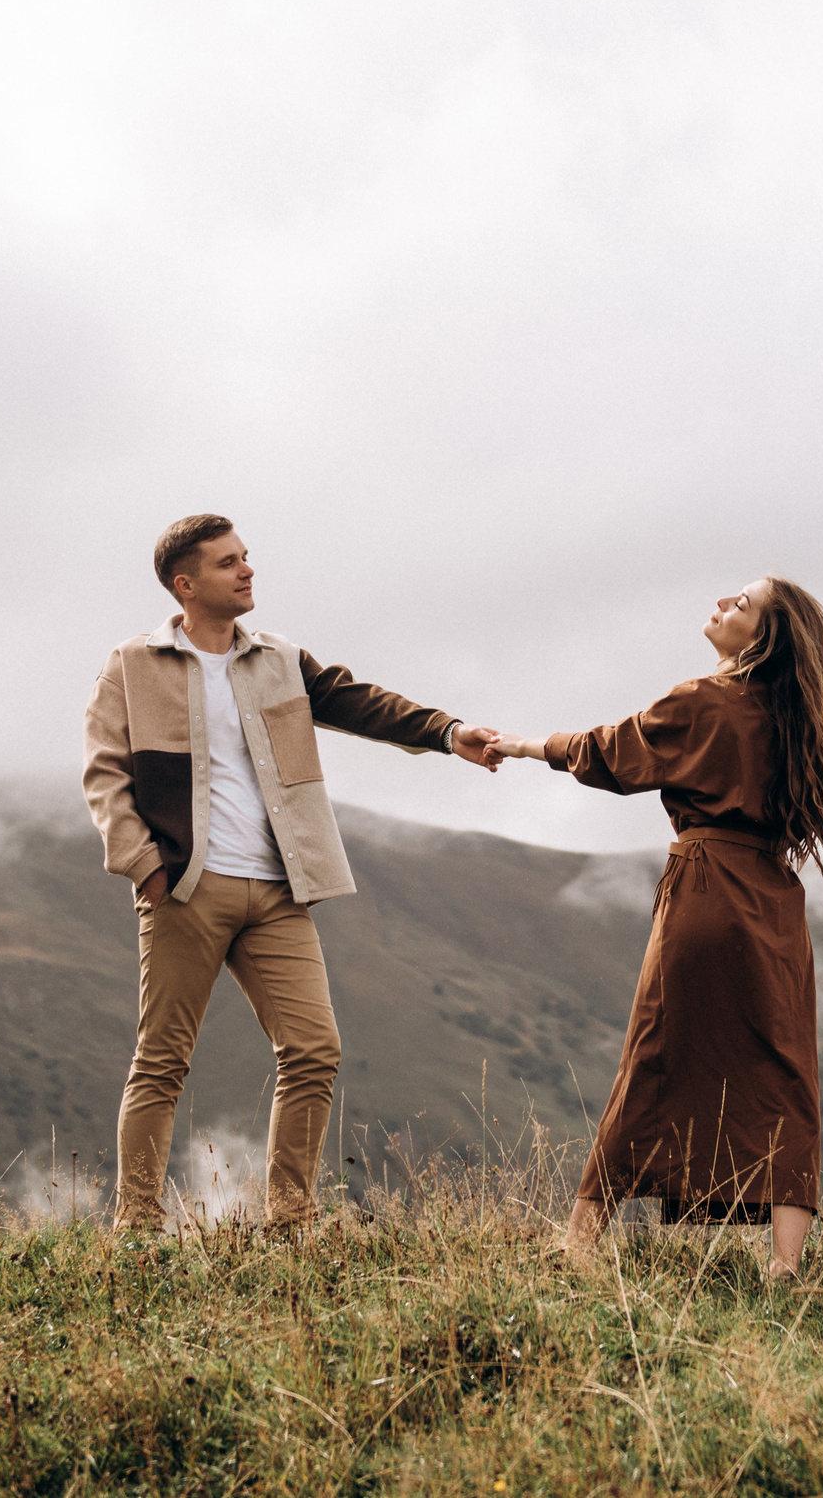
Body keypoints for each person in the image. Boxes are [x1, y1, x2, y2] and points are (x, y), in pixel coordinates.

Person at [489, 576, 823, 1280]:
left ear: (764, 637)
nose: (721, 603)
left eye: (740, 604)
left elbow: (607, 752)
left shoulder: (699, 701)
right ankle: (785, 1264)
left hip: (703, 891)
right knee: (784, 1072)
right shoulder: (810, 729)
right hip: (774, 907)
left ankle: (581, 1243)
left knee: (654, 1055)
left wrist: (526, 744)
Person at [84, 513, 504, 1235]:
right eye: (227, 563)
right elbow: (104, 773)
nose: (247, 571)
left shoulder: (278, 657)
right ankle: (138, 1226)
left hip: (278, 889)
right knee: (162, 1059)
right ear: (185, 584)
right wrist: (145, 865)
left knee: (314, 1048)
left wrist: (445, 731)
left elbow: (358, 701)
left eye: (246, 557)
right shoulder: (133, 662)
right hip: (187, 886)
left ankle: (290, 1219)